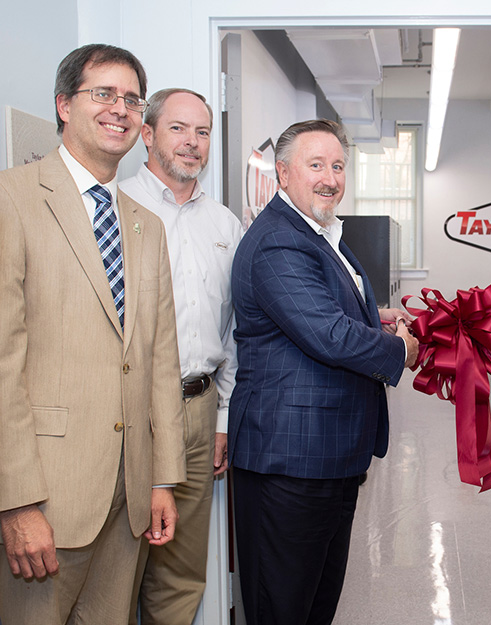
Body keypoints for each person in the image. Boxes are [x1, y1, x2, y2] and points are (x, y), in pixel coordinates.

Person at [0, 44, 186, 624]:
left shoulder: (145, 225)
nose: (120, 109)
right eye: (102, 93)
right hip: (50, 494)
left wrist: (162, 479)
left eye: (131, 99)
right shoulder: (13, 200)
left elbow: (159, 359)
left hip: (128, 497)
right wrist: (17, 502)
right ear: (63, 105)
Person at [229, 118, 419, 625]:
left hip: (327, 454)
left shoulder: (320, 233)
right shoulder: (279, 240)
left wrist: (371, 317)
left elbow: (322, 310)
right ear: (284, 172)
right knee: (283, 605)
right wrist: (399, 350)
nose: (330, 177)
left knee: (315, 602)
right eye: (316, 165)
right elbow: (326, 334)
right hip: (290, 457)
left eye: (338, 166)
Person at [120, 87, 243, 625]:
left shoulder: (224, 225)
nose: (192, 143)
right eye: (178, 128)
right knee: (117, 571)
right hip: (128, 413)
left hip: (198, 409)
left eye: (202, 132)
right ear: (146, 134)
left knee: (181, 575)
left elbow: (236, 330)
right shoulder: (115, 208)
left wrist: (222, 417)